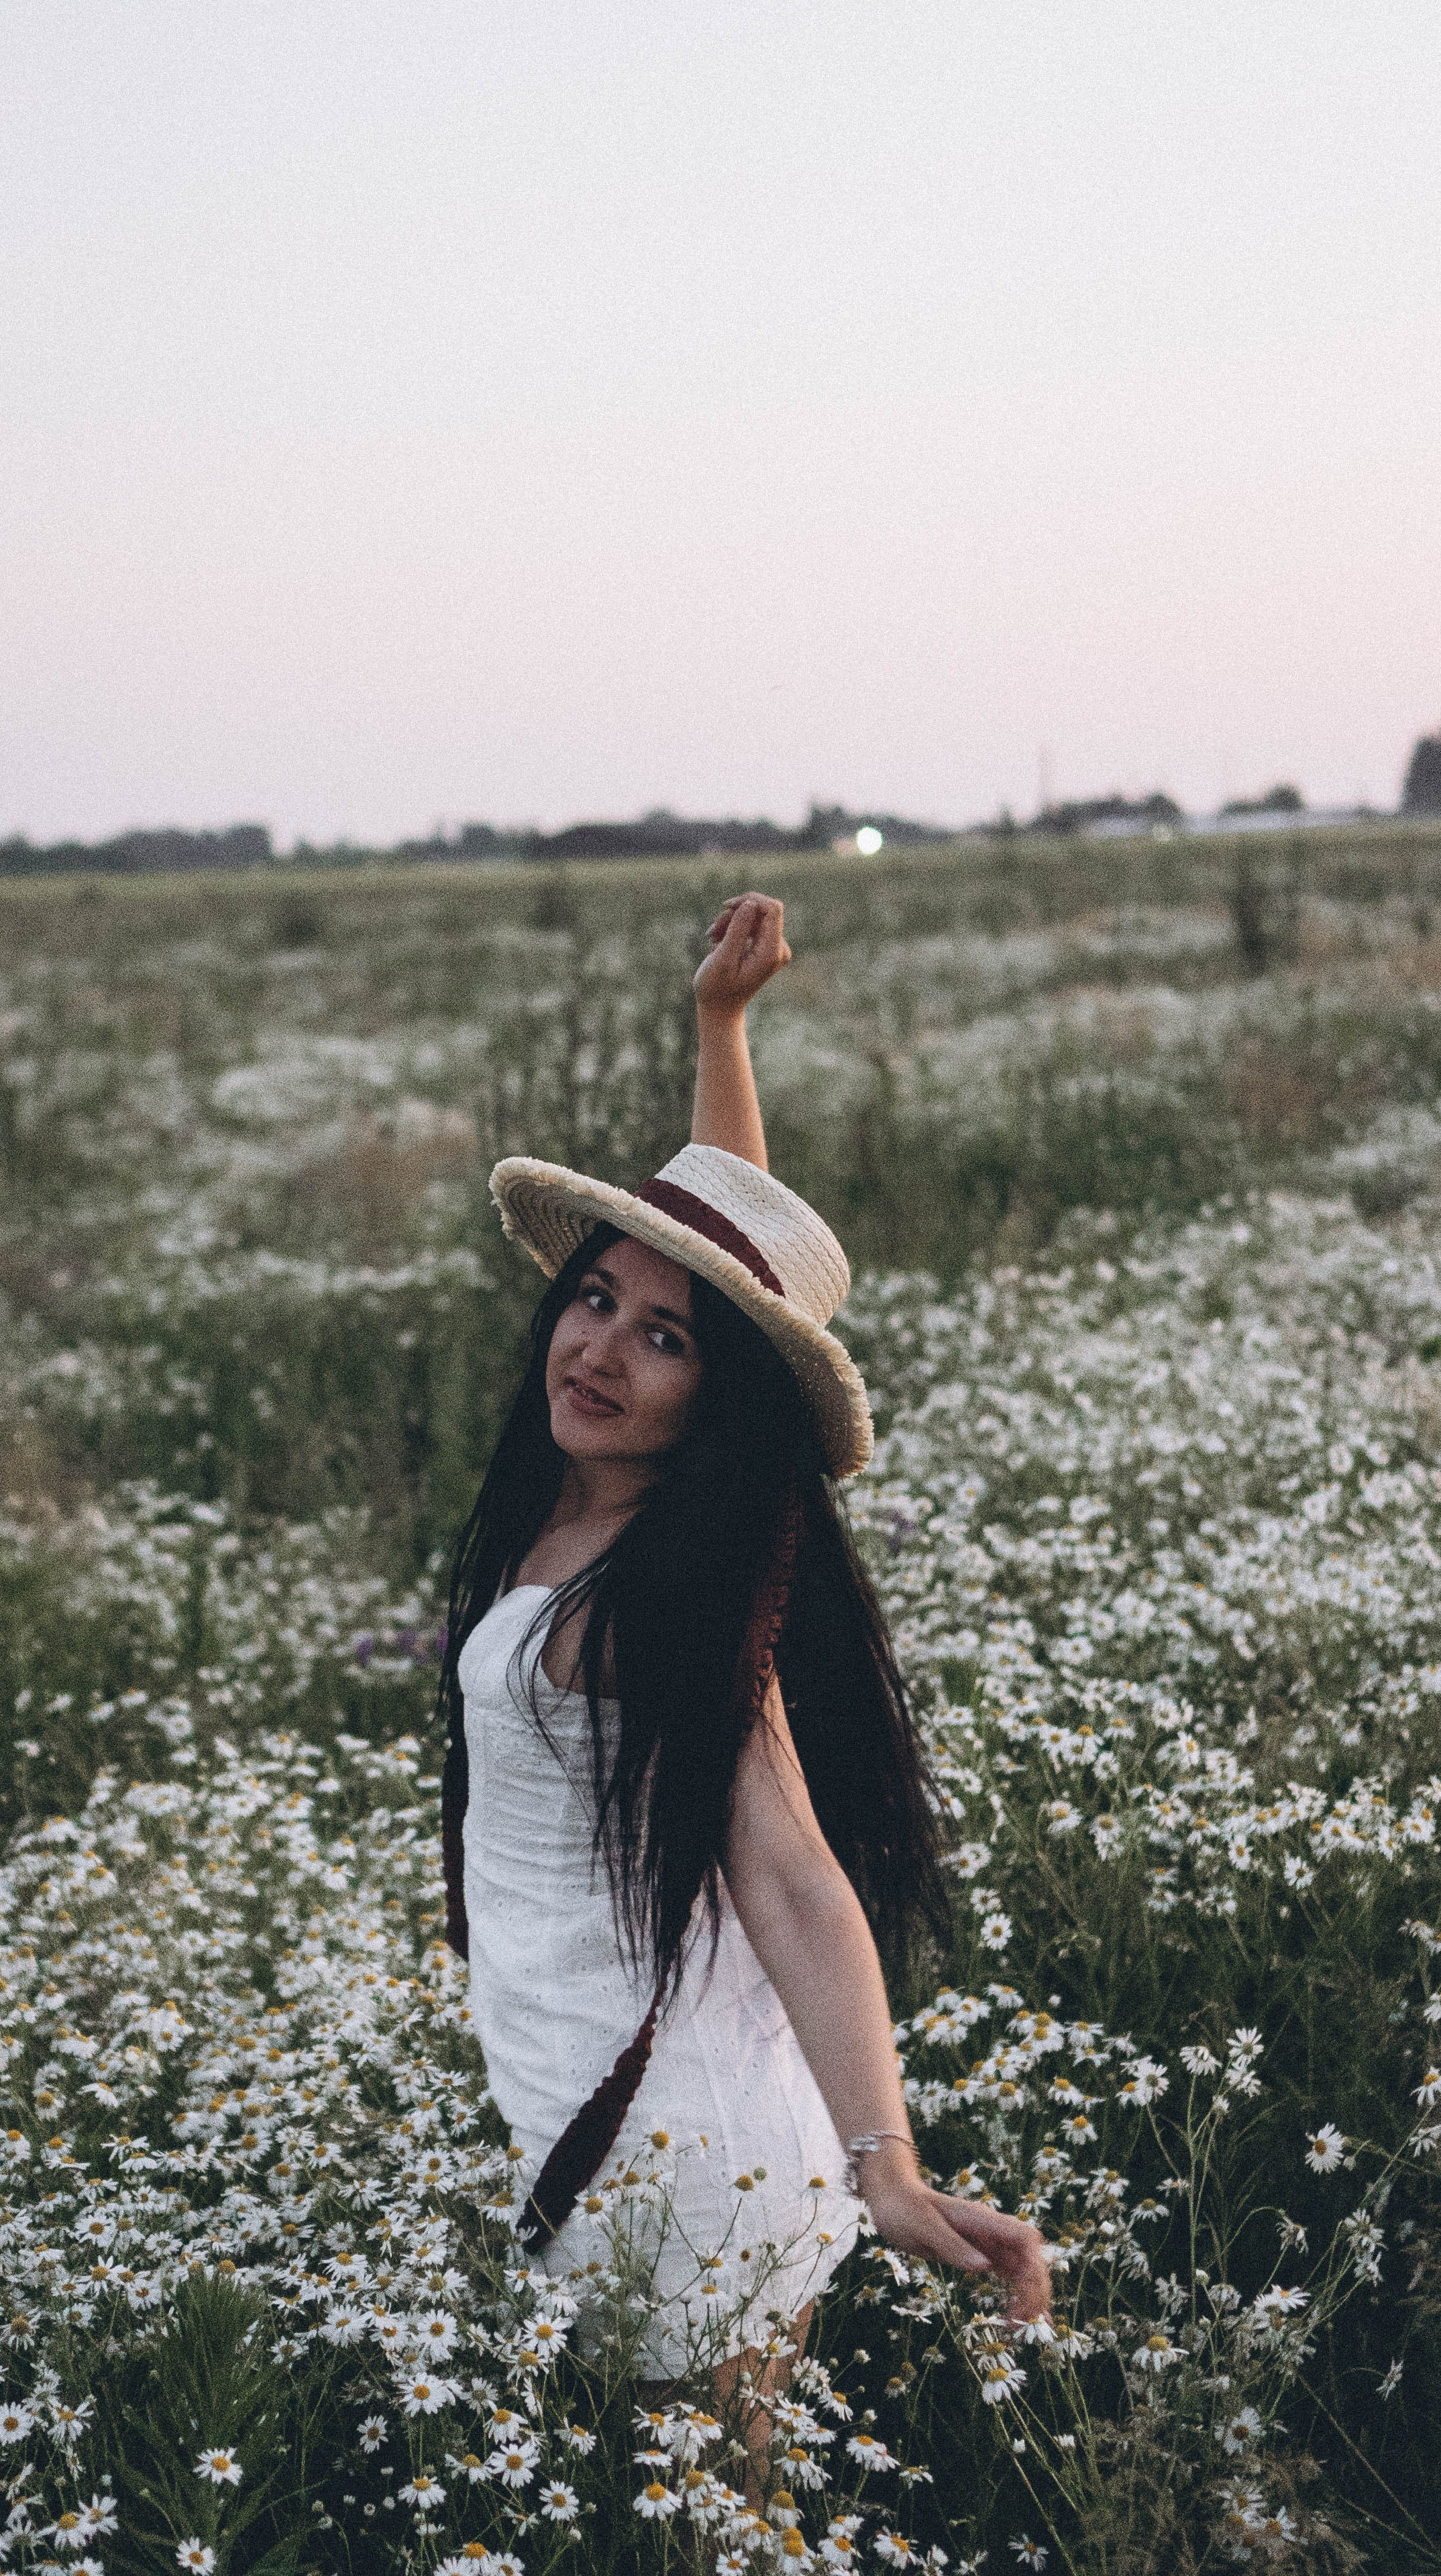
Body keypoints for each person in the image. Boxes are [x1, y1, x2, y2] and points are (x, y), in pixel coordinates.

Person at [437, 891, 1048, 2479]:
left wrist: (886, 2166)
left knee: (716, 2518)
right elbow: (727, 1270)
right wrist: (720, 1029)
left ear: (719, 1406)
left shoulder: (661, 1601)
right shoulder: (591, 1502)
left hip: (677, 2151)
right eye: (594, 1300)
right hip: (598, 2099)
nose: (599, 1351)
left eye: (662, 1344)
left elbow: (787, 1876)